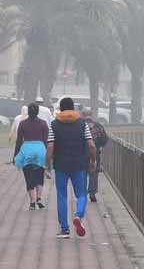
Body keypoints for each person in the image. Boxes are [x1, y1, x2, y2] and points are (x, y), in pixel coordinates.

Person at [46, 97, 96, 239]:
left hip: (61, 165)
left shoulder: (54, 124)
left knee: (62, 196)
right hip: (79, 164)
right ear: (73, 109)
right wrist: (93, 160)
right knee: (81, 194)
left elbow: (50, 146)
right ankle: (78, 215)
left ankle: (64, 229)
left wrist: (47, 166)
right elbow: (91, 145)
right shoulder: (82, 124)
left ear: (60, 109)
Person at [14, 103, 50, 210]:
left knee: (28, 176)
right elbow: (46, 141)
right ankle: (39, 197)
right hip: (40, 150)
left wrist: (15, 155)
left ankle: (32, 202)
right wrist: (48, 155)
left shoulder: (22, 124)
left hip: (27, 150)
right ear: (38, 111)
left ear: (28, 112)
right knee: (39, 175)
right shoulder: (43, 124)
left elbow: (19, 140)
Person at [83, 110, 108, 203]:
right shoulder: (98, 125)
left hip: (82, 153)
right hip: (95, 152)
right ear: (91, 115)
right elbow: (105, 138)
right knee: (93, 172)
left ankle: (82, 192)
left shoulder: (80, 125)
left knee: (83, 173)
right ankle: (92, 192)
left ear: (83, 115)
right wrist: (100, 146)